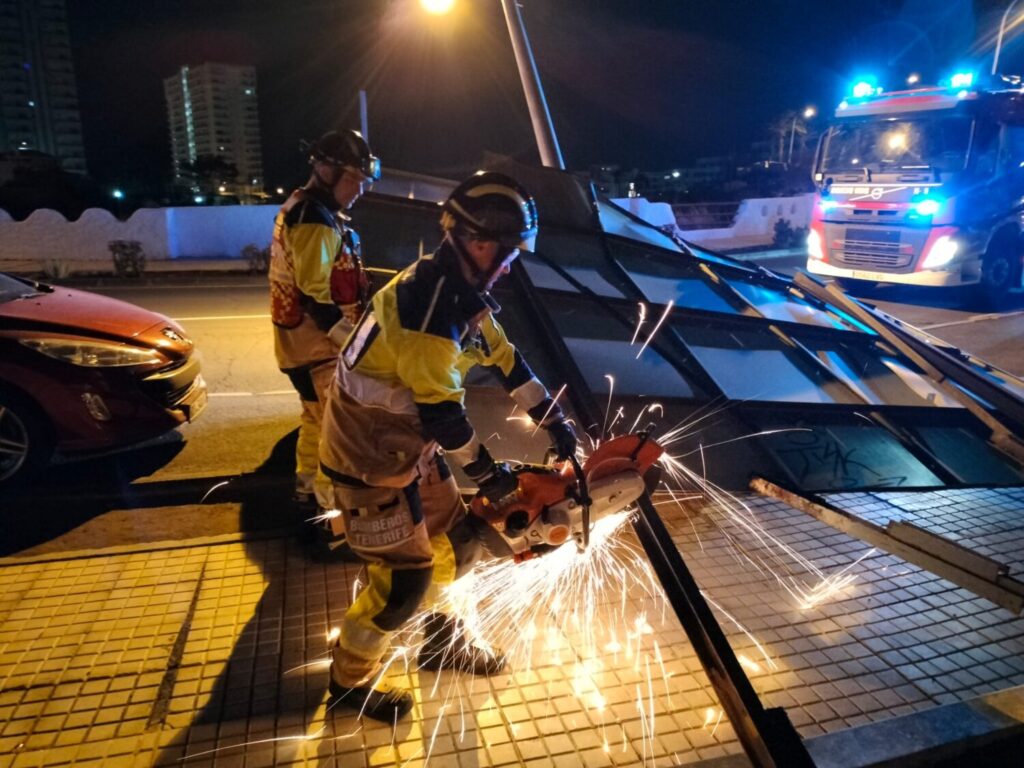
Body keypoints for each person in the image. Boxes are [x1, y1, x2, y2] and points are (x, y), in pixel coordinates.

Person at [318, 171, 578, 721]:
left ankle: (443, 642)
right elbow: (444, 417)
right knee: (404, 584)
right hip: (366, 459)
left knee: (459, 541)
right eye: (506, 253)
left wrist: (555, 422)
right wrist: (490, 477)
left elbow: (508, 362)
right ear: (478, 243)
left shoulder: (462, 291)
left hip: (407, 444)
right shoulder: (428, 310)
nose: (510, 265)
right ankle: (347, 684)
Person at [268, 129, 380, 553]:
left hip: (302, 347)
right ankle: (331, 527)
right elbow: (317, 296)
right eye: (355, 180)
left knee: (316, 425)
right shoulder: (313, 218)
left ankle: (308, 503)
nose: (361, 191)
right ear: (325, 169)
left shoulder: (311, 210)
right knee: (340, 433)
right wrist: (355, 345)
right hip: (318, 349)